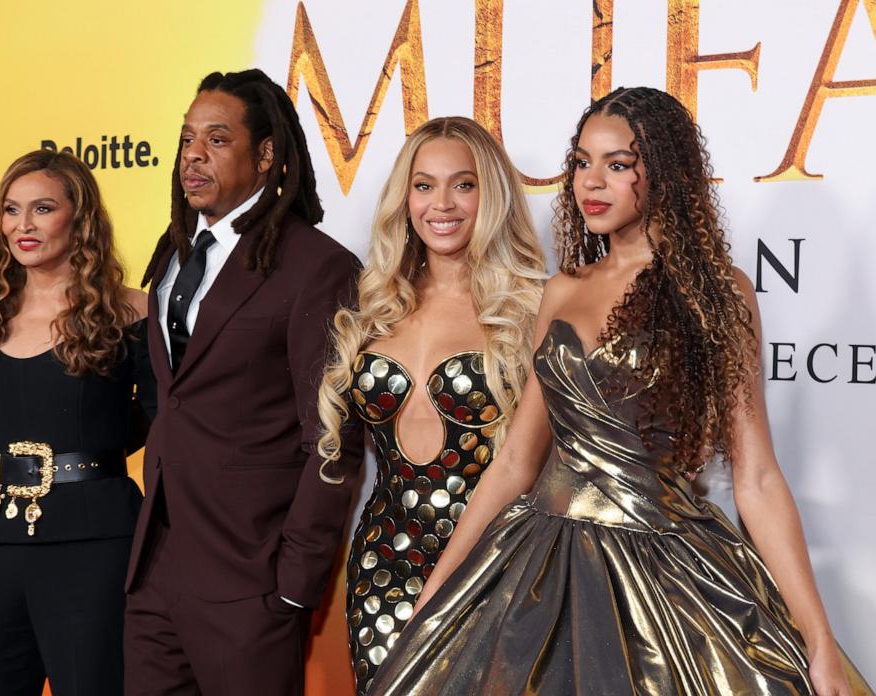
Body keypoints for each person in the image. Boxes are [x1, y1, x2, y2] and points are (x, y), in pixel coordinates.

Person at [368, 88, 873, 695]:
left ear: (665, 172)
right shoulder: (561, 290)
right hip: (538, 567)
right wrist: (436, 597)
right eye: (582, 163)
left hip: (664, 576)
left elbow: (757, 476)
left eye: (617, 164)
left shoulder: (718, 293)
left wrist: (818, 643)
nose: (591, 182)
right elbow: (513, 464)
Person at [123, 68, 364, 696]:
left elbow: (333, 440)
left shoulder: (317, 266)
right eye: (186, 140)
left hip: (250, 580)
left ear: (265, 155)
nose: (193, 156)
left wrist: (292, 585)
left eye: (217, 139)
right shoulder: (175, 253)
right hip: (156, 570)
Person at [315, 116, 545, 693]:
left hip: (499, 566)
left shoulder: (533, 307)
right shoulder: (374, 307)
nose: (441, 203)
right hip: (385, 567)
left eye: (463, 184)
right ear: (405, 197)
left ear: (490, 195)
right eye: (424, 185)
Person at [0, 149, 154, 696]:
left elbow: (168, 436)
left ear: (80, 217)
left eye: (42, 208)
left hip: (95, 551)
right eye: (11, 210)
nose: (23, 225)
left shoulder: (132, 316)